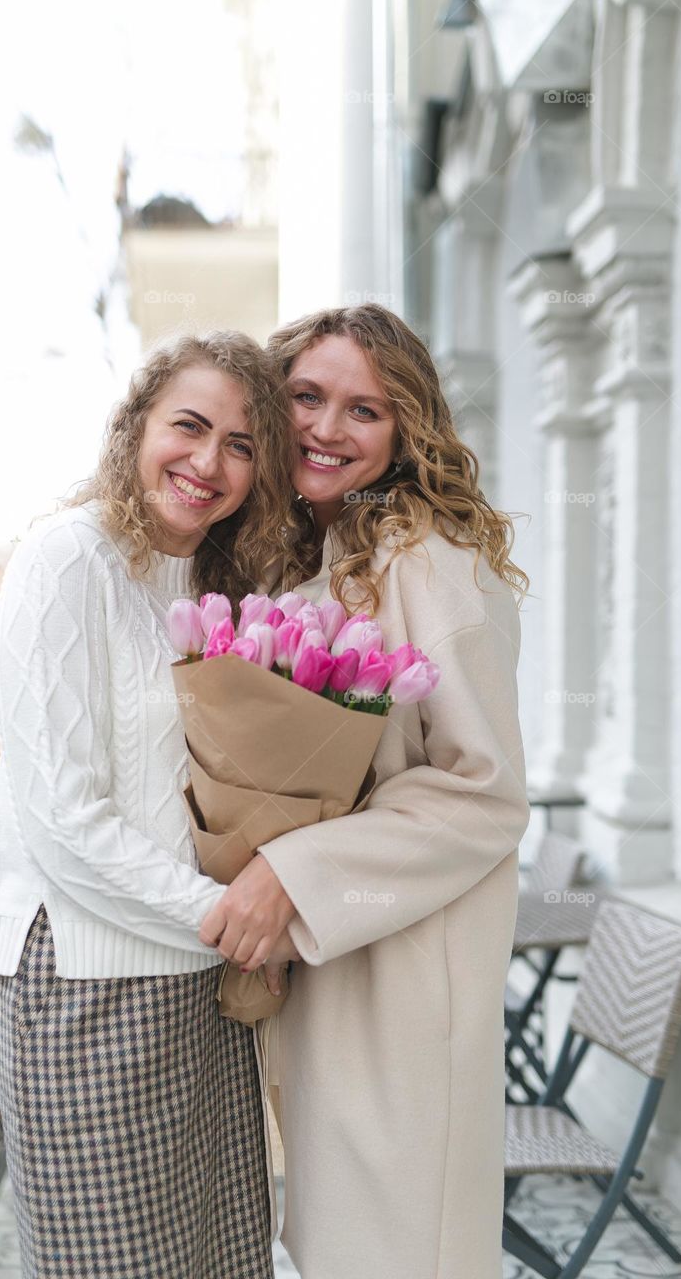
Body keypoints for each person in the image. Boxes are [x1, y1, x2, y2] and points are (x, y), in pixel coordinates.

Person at [199, 304, 531, 1279]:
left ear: (404, 433)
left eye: (364, 410)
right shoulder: (292, 555)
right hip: (313, 965)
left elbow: (485, 792)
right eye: (305, 395)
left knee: (398, 1248)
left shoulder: (429, 561)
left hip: (401, 974)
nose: (325, 428)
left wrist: (289, 871)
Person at [0, 331, 301, 1279]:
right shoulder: (66, 559)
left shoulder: (211, 583)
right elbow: (63, 820)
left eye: (241, 445)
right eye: (189, 428)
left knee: (214, 1255)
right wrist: (230, 917)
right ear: (136, 428)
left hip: (198, 982)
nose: (208, 463)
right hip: (86, 979)